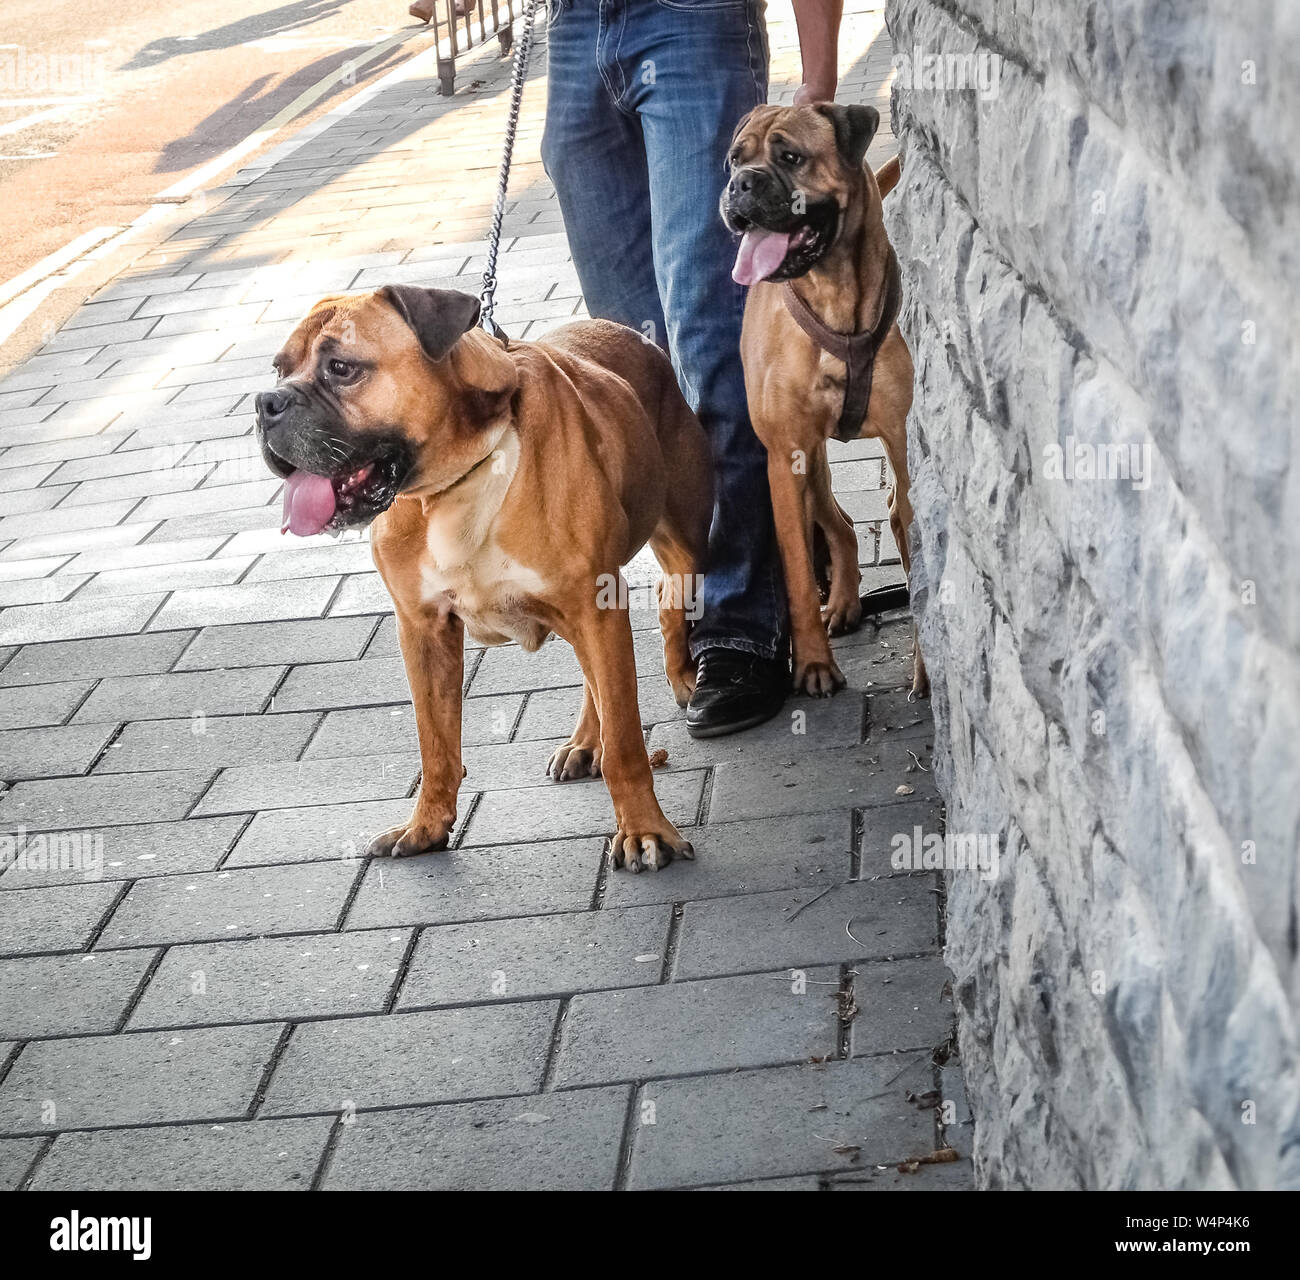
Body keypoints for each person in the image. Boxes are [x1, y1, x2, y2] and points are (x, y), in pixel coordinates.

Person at [541, 0, 842, 738]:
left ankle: (741, 627)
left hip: (693, 21)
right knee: (634, 370)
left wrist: (820, 72)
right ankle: (761, 563)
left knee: (713, 345)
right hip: (574, 28)